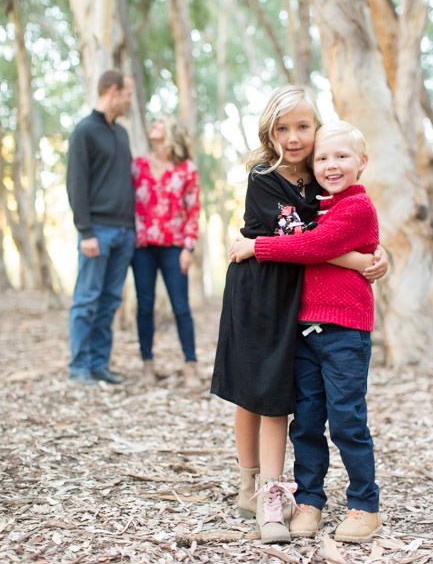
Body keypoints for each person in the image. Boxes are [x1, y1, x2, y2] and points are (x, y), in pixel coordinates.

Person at [211, 85, 387, 544]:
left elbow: (341, 223)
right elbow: (310, 235)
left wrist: (374, 249)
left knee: (292, 399)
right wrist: (360, 257)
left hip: (302, 298)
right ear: (269, 131)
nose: (293, 138)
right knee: (257, 392)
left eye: (303, 127)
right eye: (283, 128)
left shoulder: (322, 169)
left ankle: (334, 499)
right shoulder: (265, 176)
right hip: (262, 289)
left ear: (317, 129)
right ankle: (253, 486)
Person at [67, 70, 135, 386]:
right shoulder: (84, 131)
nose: (129, 100)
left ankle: (98, 365)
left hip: (124, 231)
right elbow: (76, 184)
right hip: (98, 230)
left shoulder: (121, 134)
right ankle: (79, 368)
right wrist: (85, 231)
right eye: (127, 94)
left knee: (109, 301)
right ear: (112, 90)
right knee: (86, 299)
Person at [131, 115, 200, 390]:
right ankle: (147, 366)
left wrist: (189, 246)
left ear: (172, 131)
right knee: (144, 306)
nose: (153, 126)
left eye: (160, 123)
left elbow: (193, 209)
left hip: (174, 247)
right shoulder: (137, 165)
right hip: (142, 247)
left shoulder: (186, 169)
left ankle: (190, 366)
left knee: (181, 307)